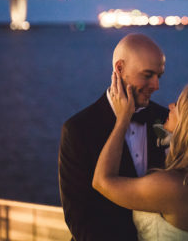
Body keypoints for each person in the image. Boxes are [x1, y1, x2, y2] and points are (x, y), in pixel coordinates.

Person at [93, 77, 188, 241]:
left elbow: (101, 181)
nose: (170, 106)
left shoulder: (173, 186)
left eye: (178, 105)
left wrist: (122, 120)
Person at [58, 33, 169, 241]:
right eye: (147, 75)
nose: (156, 85)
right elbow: (79, 219)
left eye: (159, 76)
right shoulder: (78, 130)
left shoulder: (165, 119)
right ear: (119, 69)